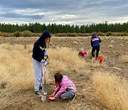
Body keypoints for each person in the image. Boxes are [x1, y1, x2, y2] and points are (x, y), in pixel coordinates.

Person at [32, 30, 51, 96]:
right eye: (47, 38)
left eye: (49, 38)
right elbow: (34, 55)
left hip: (41, 60)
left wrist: (46, 54)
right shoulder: (37, 43)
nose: (48, 40)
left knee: (41, 74)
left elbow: (43, 50)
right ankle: (36, 90)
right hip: (36, 60)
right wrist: (42, 61)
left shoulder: (43, 43)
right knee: (38, 75)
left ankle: (40, 85)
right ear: (44, 37)